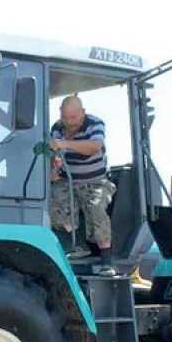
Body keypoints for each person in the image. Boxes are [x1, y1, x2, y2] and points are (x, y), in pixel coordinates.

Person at [48, 95, 117, 276]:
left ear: (83, 113)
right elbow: (52, 153)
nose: (70, 122)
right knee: (53, 199)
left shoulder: (95, 124)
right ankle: (76, 246)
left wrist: (65, 144)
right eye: (66, 118)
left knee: (96, 207)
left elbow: (94, 146)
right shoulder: (57, 128)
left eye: (74, 118)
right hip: (68, 180)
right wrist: (53, 167)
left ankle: (106, 260)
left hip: (96, 182)